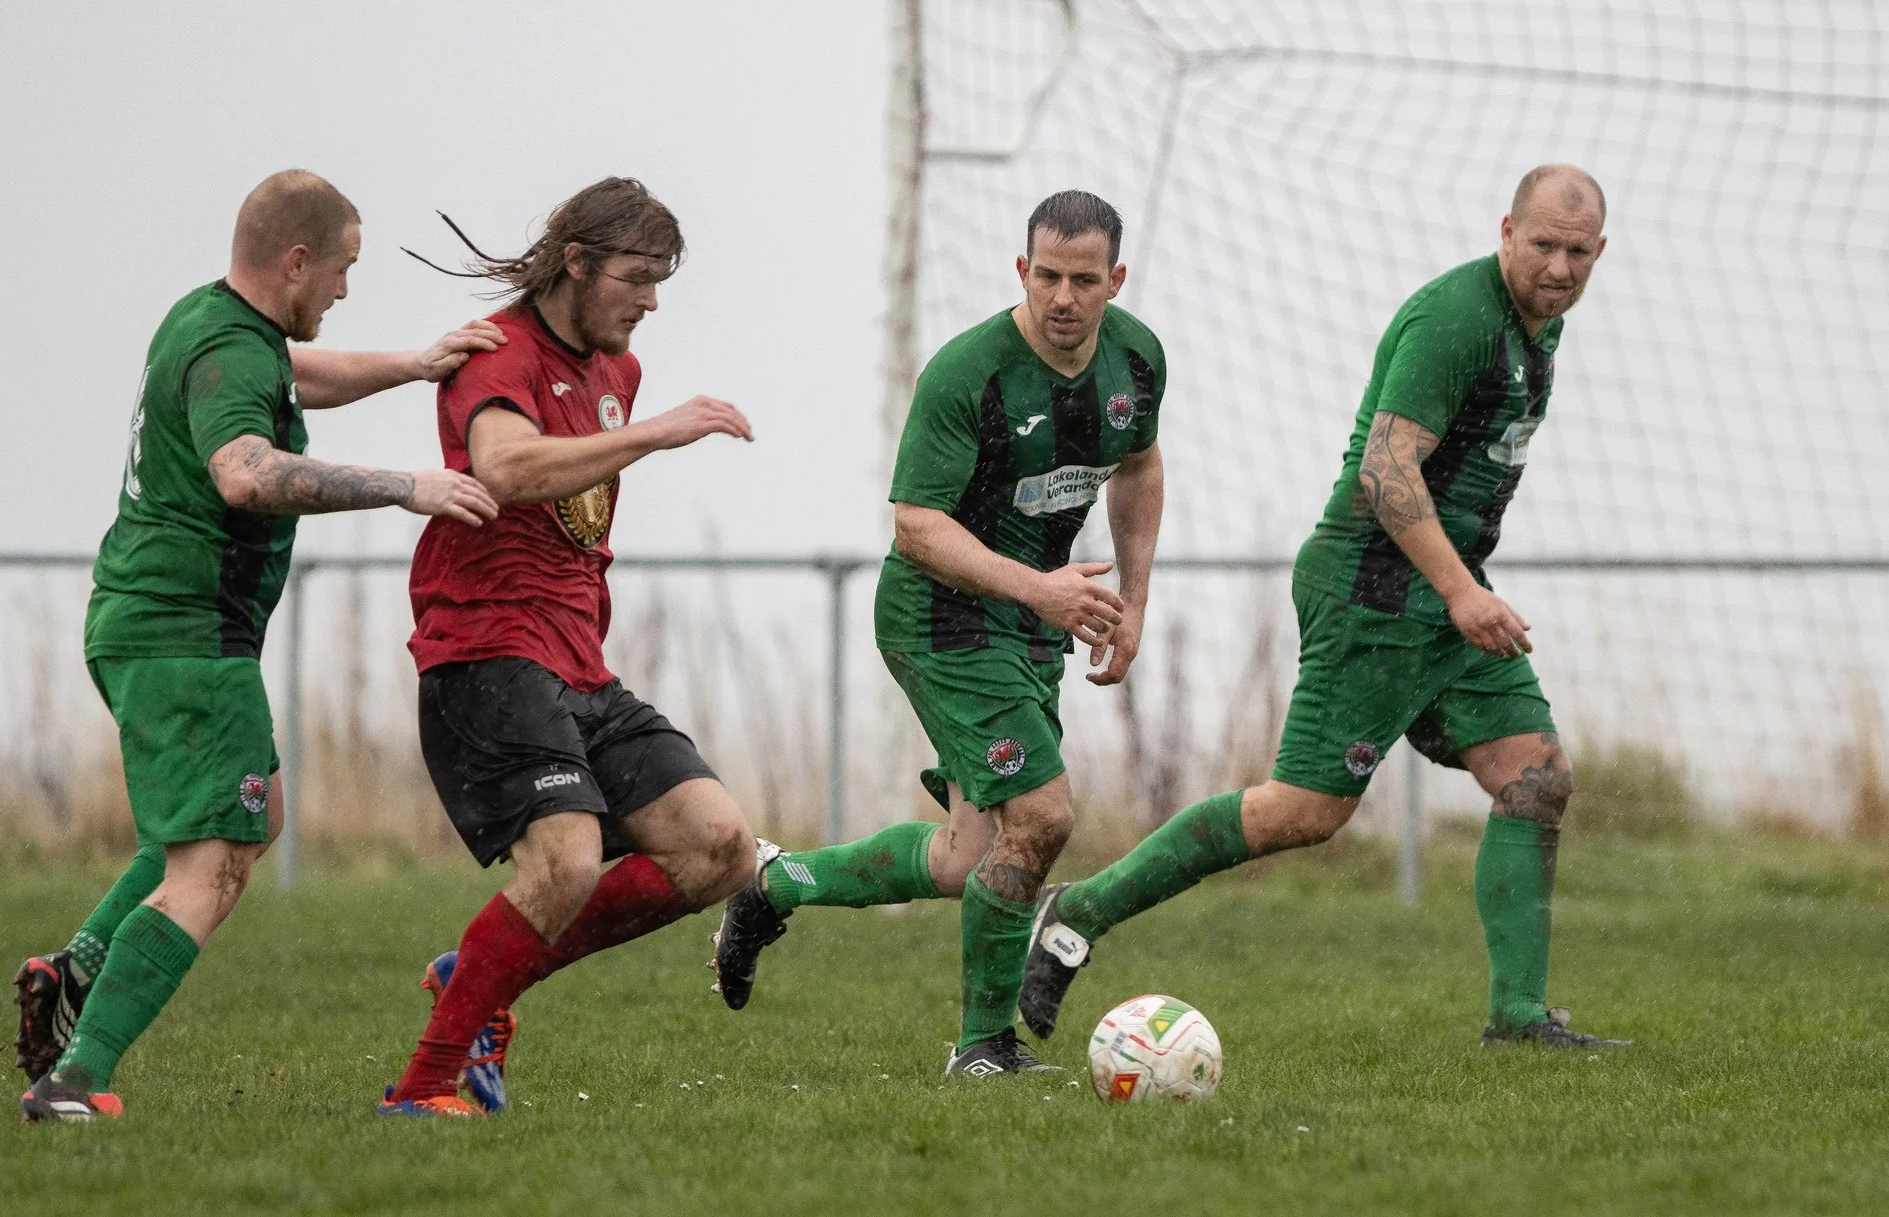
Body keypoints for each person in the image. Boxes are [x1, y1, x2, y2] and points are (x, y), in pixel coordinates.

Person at [1015, 165, 1625, 1052]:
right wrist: (1462, 594)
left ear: (1598, 252)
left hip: (1443, 596)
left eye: (1577, 252)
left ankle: (1520, 1020)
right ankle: (1078, 911)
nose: (1559, 267)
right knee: (1305, 811)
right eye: (1543, 246)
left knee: (1536, 781)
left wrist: (1459, 592)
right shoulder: (1456, 320)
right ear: (1505, 231)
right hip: (1375, 589)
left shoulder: (1541, 328)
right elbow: (1385, 473)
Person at [16, 170, 504, 1121]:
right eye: (343, 270)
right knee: (216, 865)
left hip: (154, 625)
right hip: (187, 635)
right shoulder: (234, 352)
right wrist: (408, 487)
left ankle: (74, 971)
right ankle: (76, 1082)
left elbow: (292, 376)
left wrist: (415, 363)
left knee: (254, 813)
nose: (344, 291)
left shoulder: (212, 324)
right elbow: (245, 474)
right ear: (295, 261)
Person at [707, 189, 1163, 1078]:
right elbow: (915, 525)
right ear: (1021, 270)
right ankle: (983, 1048)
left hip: (1031, 621)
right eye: (1046, 276)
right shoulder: (970, 374)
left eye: (1083, 280)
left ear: (1115, 279)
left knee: (968, 860)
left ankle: (769, 887)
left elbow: (1139, 466)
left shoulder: (1137, 360)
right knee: (1042, 814)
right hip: (940, 616)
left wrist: (1133, 600)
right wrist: (1040, 590)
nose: (1062, 297)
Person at [377, 177, 759, 1117]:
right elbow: (503, 467)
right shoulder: (495, 351)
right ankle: (422, 1088)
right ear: (578, 263)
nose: (653, 301)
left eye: (663, 280)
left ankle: (477, 975)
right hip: (487, 648)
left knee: (720, 848)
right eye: (638, 276)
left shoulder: (616, 372)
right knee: (565, 864)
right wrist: (665, 434)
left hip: (580, 662)